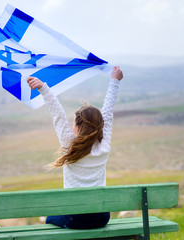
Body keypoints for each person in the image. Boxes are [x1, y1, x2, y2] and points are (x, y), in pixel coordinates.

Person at [27, 66, 123, 229]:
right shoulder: (104, 145)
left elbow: (58, 114)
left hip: (75, 219)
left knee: (50, 219)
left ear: (78, 127)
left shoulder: (70, 145)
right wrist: (115, 81)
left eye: (73, 124)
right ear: (101, 127)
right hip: (102, 217)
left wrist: (43, 88)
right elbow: (107, 111)